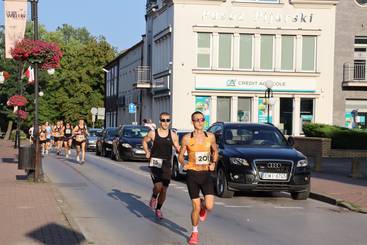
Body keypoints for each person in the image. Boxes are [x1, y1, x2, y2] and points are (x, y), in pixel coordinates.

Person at [178, 111, 218, 245]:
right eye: (197, 120)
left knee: (210, 206)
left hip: (205, 174)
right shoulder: (186, 139)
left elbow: (215, 151)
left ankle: (203, 206)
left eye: (202, 120)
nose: (200, 122)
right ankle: (194, 233)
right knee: (195, 207)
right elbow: (181, 156)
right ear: (192, 122)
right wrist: (184, 164)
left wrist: (213, 162)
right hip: (192, 175)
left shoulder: (211, 137)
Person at [142, 112, 180, 219]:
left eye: (167, 120)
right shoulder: (153, 133)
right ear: (160, 121)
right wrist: (147, 152)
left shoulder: (173, 135)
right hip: (155, 163)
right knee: (158, 186)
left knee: (164, 189)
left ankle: (158, 209)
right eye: (163, 120)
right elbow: (144, 141)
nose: (165, 123)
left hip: (167, 164)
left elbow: (177, 147)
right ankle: (154, 196)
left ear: (170, 122)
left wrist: (181, 150)